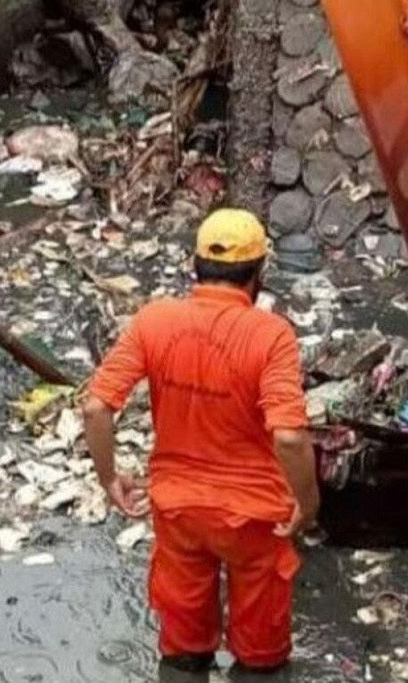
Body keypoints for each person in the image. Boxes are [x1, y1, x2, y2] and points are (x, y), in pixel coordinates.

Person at [82, 208, 319, 679]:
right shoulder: (271, 335)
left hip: (179, 512)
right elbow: (289, 436)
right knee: (261, 657)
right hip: (254, 520)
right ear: (259, 273)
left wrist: (109, 477)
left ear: (196, 265)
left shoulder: (155, 320)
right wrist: (308, 503)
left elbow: (95, 407)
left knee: (183, 650)